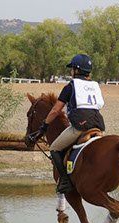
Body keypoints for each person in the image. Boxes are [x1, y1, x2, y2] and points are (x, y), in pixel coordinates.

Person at [36, 54, 105, 194]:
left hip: (80, 126)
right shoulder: (95, 86)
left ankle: (65, 181)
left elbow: (56, 110)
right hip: (98, 125)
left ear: (77, 70)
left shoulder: (70, 87)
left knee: (54, 148)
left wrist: (44, 125)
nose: (71, 71)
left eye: (72, 69)